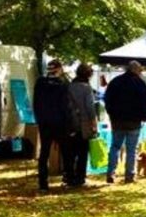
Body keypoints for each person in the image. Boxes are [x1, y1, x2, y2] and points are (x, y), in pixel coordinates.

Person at [103, 60, 146, 185]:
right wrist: (144, 116)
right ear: (136, 70)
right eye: (140, 70)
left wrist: (111, 114)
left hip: (117, 120)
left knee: (115, 147)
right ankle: (129, 175)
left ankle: (110, 173)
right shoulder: (140, 84)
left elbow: (107, 99)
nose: (141, 72)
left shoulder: (115, 82)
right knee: (131, 149)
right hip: (134, 121)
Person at [33, 59, 71, 192]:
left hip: (44, 122)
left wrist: (39, 119)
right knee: (65, 152)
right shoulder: (62, 85)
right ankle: (67, 179)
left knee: (44, 152)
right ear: (59, 69)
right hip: (59, 122)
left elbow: (36, 103)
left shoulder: (40, 83)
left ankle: (43, 183)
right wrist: (68, 123)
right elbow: (65, 106)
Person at [65, 62, 98, 187]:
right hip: (83, 124)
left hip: (69, 123)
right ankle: (80, 178)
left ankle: (69, 177)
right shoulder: (86, 88)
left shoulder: (69, 86)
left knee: (70, 152)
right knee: (83, 152)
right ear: (88, 75)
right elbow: (90, 108)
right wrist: (94, 123)